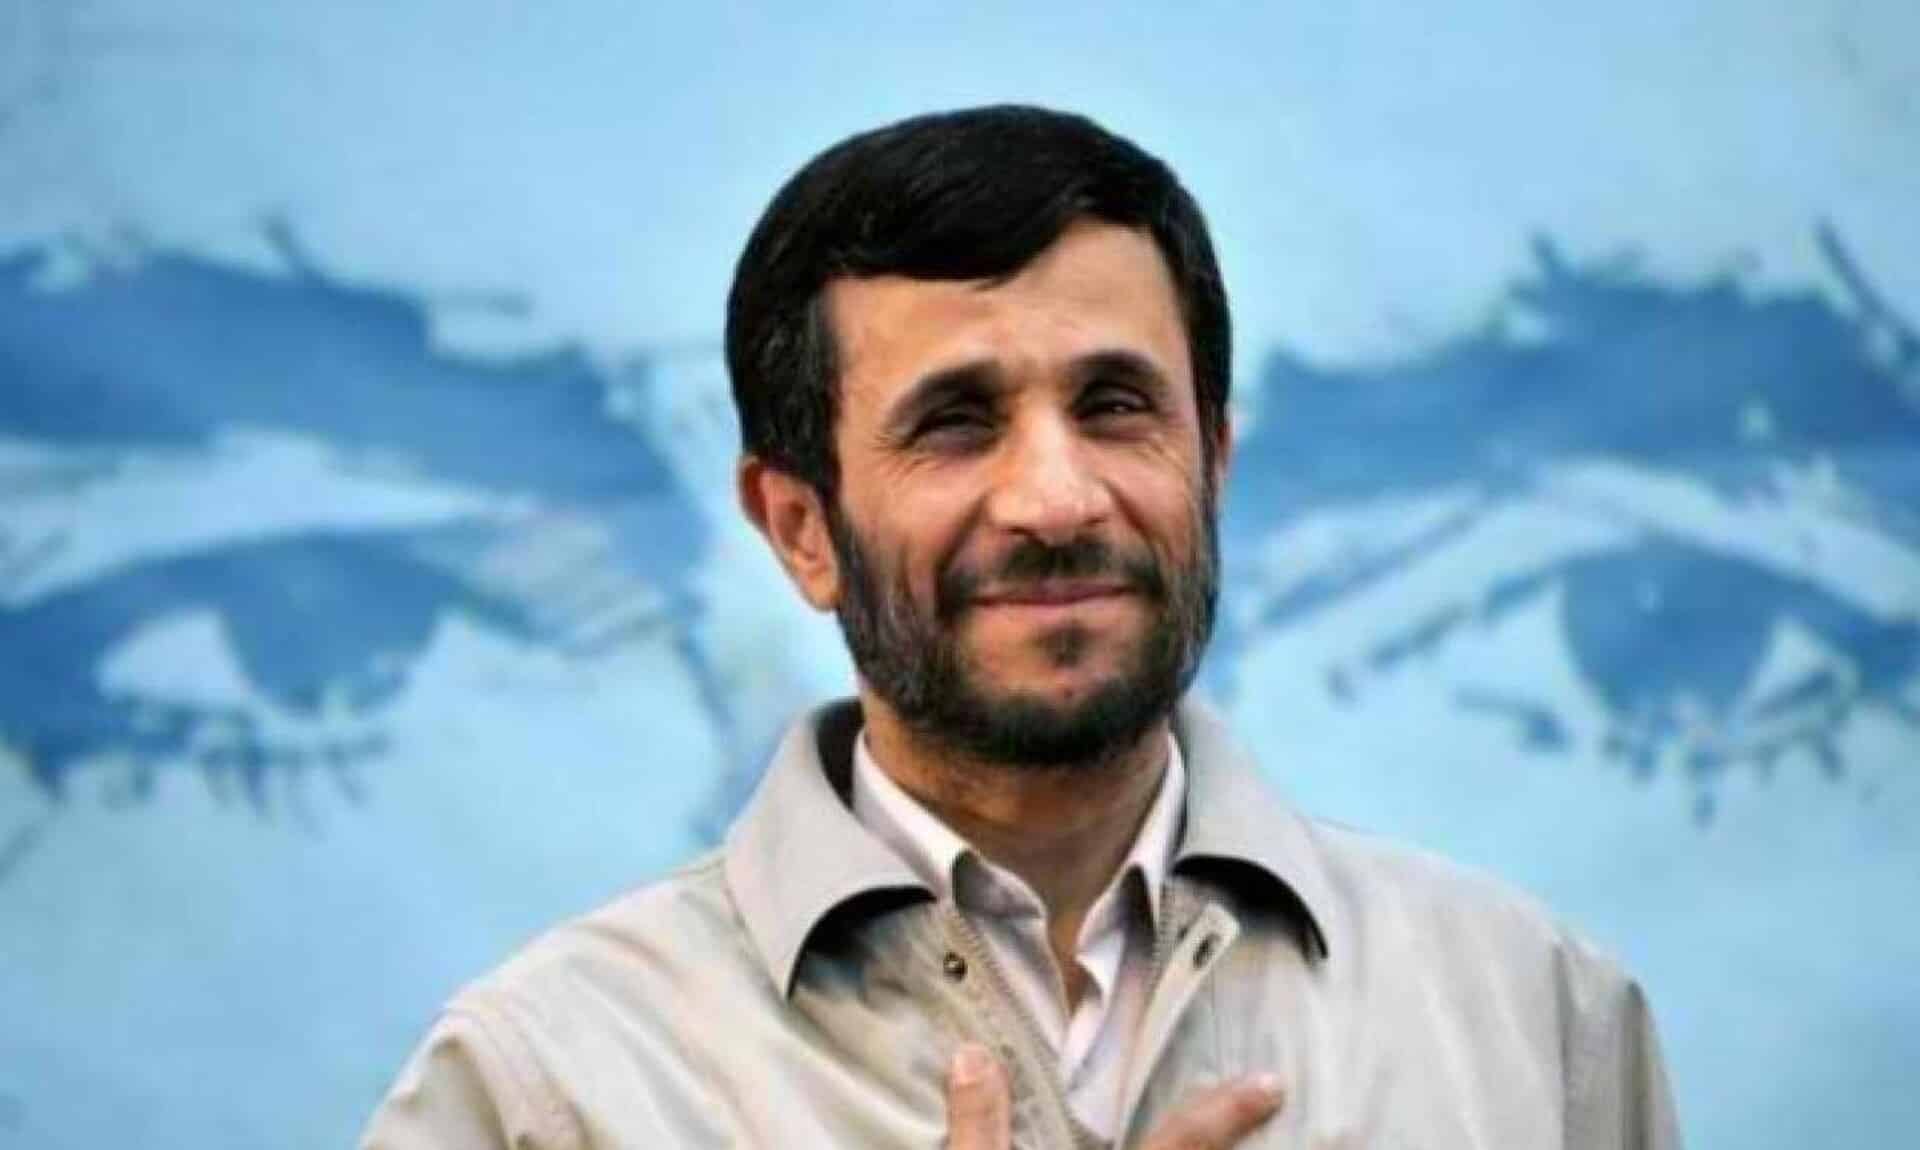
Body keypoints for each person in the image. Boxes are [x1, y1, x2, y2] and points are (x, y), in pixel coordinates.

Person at [361, 105, 1679, 1149]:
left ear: (1214, 463)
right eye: (955, 423)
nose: (1057, 500)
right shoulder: (552, 1083)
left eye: (1116, 406)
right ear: (800, 527)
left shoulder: (1531, 1018)